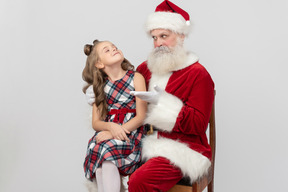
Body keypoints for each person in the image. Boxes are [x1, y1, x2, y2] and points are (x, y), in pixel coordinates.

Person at [85, 0, 215, 191]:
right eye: (154, 38)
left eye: (164, 36)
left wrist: (163, 104)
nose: (158, 43)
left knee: (139, 181)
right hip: (141, 143)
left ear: (181, 36)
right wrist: (98, 93)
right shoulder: (145, 69)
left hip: (182, 149)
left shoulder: (198, 74)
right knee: (102, 157)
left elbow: (198, 124)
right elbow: (123, 99)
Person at [82, 39, 147, 192]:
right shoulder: (100, 87)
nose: (113, 49)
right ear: (99, 64)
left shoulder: (136, 78)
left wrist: (116, 131)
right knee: (97, 152)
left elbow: (142, 116)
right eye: (107, 50)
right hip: (109, 134)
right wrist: (110, 127)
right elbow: (96, 123)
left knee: (106, 150)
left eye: (114, 47)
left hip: (130, 135)